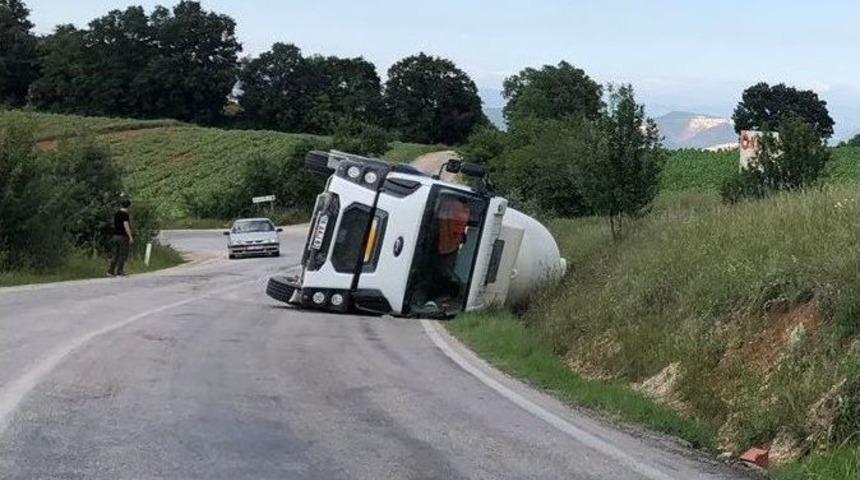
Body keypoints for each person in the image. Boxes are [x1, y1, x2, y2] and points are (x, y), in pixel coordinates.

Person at [108, 198, 133, 276]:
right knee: (123, 254)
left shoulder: (117, 214)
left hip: (115, 236)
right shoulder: (125, 214)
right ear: (128, 206)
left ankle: (110, 271)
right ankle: (120, 271)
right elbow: (126, 226)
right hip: (123, 236)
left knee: (115, 254)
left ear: (121, 205)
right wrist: (130, 236)